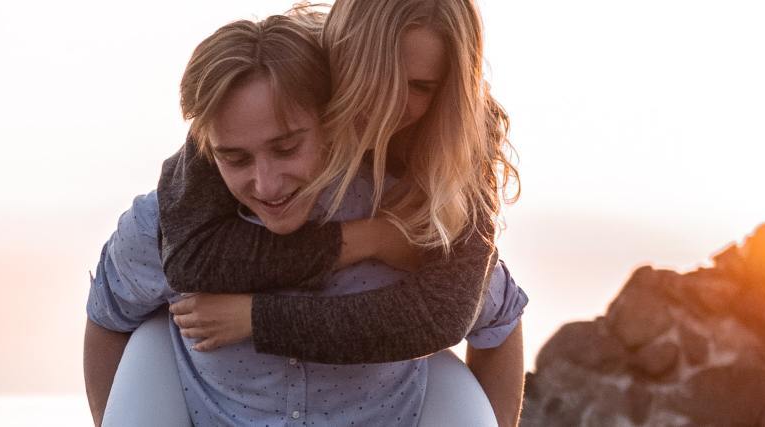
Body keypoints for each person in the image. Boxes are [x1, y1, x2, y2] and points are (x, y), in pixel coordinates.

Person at [84, 12, 518, 426]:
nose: (267, 185)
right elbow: (108, 314)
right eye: (234, 157)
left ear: (326, 120)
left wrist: (258, 316)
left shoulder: (418, 214)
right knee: (150, 339)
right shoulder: (166, 223)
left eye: (287, 148)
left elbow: (497, 319)